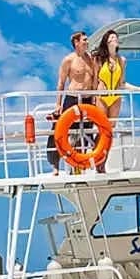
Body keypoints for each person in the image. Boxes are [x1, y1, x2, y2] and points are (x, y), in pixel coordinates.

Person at [48, 30, 98, 174]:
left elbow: (94, 80)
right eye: (84, 40)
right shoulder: (68, 60)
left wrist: (94, 98)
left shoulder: (91, 59)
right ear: (76, 42)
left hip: (87, 99)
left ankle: (79, 164)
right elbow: (61, 83)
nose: (87, 42)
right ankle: (55, 164)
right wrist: (58, 104)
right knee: (59, 130)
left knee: (86, 131)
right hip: (72, 98)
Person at [91, 29, 140, 121]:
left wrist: (139, 88)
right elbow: (95, 81)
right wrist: (93, 97)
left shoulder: (122, 60)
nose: (115, 38)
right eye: (112, 37)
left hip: (116, 97)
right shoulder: (99, 59)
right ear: (107, 41)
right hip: (101, 96)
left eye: (116, 37)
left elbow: (122, 83)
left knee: (112, 125)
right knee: (102, 125)